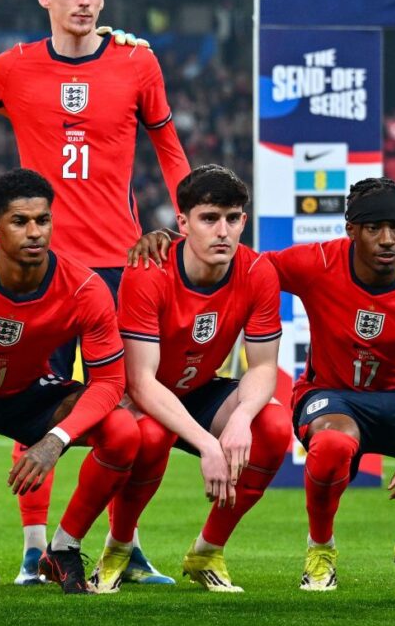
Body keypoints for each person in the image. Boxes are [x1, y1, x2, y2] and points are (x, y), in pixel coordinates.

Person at [131, 177, 395, 590]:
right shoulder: (317, 262)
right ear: (351, 231)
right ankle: (320, 549)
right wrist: (172, 240)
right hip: (329, 396)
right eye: (374, 228)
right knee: (333, 443)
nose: (387, 239)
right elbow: (239, 264)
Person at [0, 0, 189, 585]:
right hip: (43, 269)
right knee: (45, 407)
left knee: (134, 414)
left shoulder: (137, 64)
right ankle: (35, 550)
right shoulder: (11, 69)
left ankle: (125, 543)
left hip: (120, 266)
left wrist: (185, 220)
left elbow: (170, 150)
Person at [0, 169, 136, 597]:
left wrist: (56, 439)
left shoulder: (84, 288)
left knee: (124, 432)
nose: (35, 232)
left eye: (43, 220)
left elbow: (109, 381)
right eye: (20, 221)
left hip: (28, 390)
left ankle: (63, 548)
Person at [107, 166, 291, 593]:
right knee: (152, 436)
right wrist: (209, 443)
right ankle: (119, 550)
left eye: (233, 218)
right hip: (144, 393)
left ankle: (207, 551)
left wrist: (243, 417)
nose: (223, 230)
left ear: (245, 221)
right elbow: (140, 381)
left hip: (200, 389)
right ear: (183, 223)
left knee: (274, 427)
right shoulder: (149, 269)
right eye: (210, 218)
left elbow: (263, 366)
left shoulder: (258, 271)